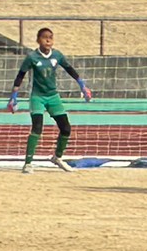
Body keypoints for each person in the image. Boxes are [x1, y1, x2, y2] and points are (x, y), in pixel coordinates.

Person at [8, 27, 92, 173]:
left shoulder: (57, 55)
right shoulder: (32, 57)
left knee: (66, 128)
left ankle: (57, 157)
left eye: (50, 37)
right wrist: (13, 97)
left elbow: (70, 69)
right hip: (37, 97)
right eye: (44, 37)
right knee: (37, 128)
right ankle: (28, 163)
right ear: (38, 40)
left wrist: (83, 86)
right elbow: (20, 75)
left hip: (53, 97)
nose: (48, 40)